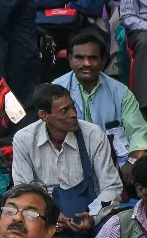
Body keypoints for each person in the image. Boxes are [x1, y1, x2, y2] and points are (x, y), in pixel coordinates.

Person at [12, 84, 122, 233]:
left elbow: (112, 187)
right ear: (44, 116)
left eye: (72, 106)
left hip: (90, 220)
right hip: (43, 221)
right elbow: (23, 191)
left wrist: (92, 216)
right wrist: (50, 216)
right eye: (64, 111)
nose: (73, 114)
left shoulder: (93, 135)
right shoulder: (24, 140)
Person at [52, 28, 147, 177]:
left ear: (103, 61)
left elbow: (138, 131)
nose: (87, 63)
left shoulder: (120, 92)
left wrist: (133, 162)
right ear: (70, 59)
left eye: (93, 58)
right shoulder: (55, 90)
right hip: (69, 165)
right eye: (79, 57)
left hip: (115, 165)